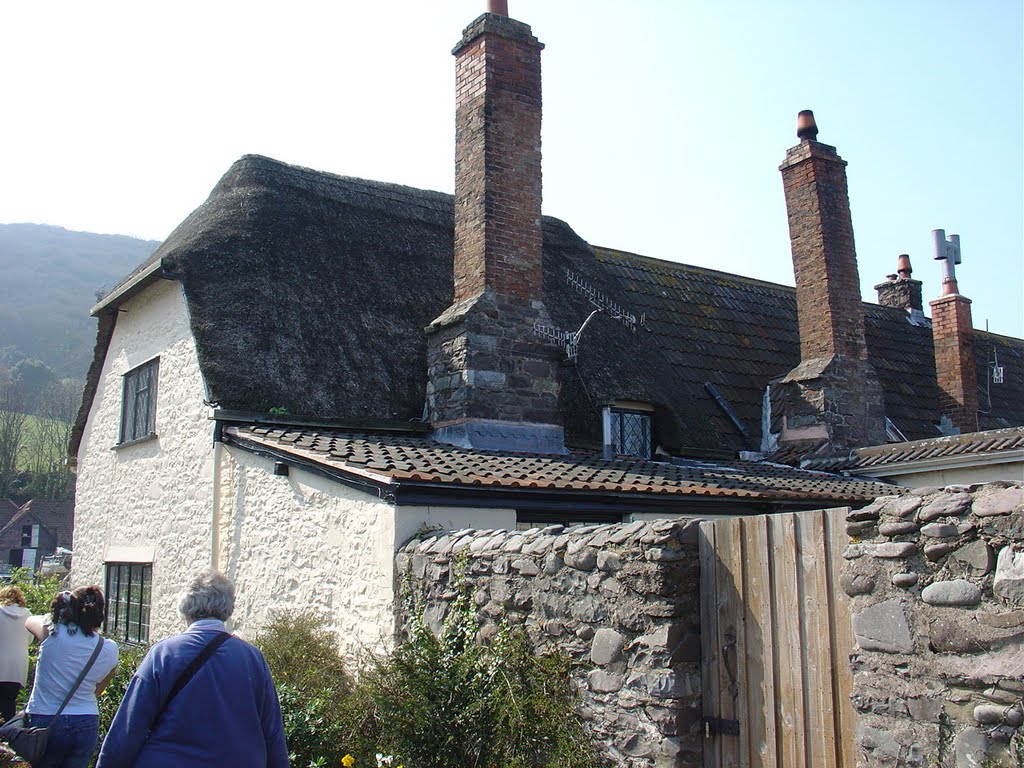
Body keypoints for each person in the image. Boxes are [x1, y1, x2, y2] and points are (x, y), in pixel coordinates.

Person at [96, 570, 288, 768]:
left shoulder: (164, 654)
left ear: (185, 607)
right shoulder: (253, 659)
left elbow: (128, 727)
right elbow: (272, 733)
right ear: (228, 608)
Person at [25, 586, 119, 768]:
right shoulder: (108, 648)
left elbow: (29, 621)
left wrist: (56, 614)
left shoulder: (51, 632)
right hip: (86, 718)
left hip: (45, 716)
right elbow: (98, 690)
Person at [0, 586, 33, 722]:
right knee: (9, 702)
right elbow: (30, 640)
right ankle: (9, 735)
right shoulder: (29, 615)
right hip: (17, 668)